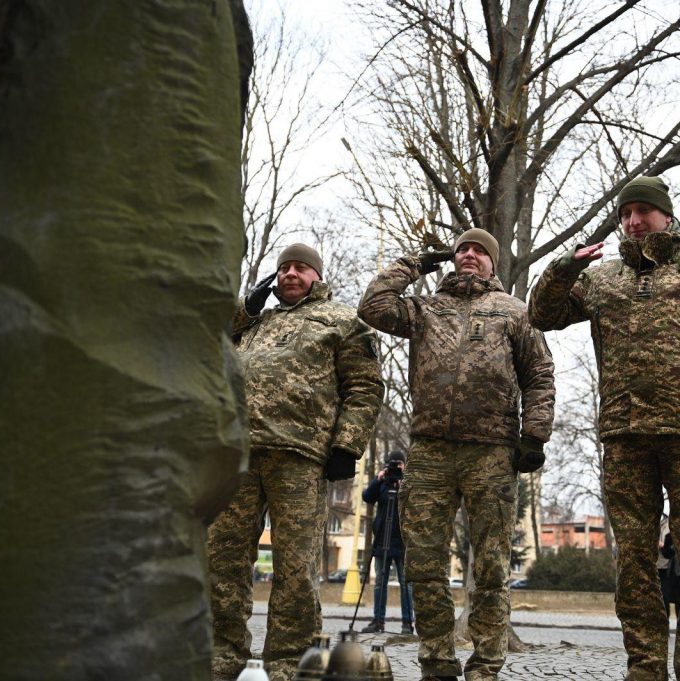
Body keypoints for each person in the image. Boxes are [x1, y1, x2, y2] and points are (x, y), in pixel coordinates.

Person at [528, 175, 680, 680]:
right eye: (625, 214)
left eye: (642, 211)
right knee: (634, 567)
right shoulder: (602, 278)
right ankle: (645, 670)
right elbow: (542, 314)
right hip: (624, 434)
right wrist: (565, 267)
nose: (633, 222)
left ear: (665, 214)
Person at [358, 228, 555, 681]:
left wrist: (535, 435)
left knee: (490, 567)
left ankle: (485, 664)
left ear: (493, 263)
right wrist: (413, 266)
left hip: (492, 451)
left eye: (479, 251)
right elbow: (372, 307)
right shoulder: (425, 309)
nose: (469, 255)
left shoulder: (515, 312)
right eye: (462, 249)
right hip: (429, 451)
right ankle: (438, 662)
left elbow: (540, 376)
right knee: (424, 566)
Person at [209, 243, 384, 681]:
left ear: (317, 276)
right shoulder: (254, 323)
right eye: (284, 267)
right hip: (239, 454)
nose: (290, 273)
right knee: (222, 562)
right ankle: (218, 655)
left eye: (300, 267)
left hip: (301, 457)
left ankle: (290, 664)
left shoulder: (342, 321)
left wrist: (347, 446)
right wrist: (244, 309)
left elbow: (364, 387)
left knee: (296, 567)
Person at [360, 450, 414, 635]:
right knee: (379, 583)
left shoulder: (407, 484)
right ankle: (378, 621)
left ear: (404, 465)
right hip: (382, 540)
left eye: (399, 464)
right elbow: (367, 497)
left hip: (402, 541)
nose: (395, 467)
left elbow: (414, 504)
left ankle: (407, 623)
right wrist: (378, 479)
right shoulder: (382, 483)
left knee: (406, 583)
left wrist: (403, 484)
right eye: (392, 464)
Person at [658, 518, 680, 618]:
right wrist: (672, 548)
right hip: (670, 572)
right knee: (666, 599)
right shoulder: (669, 536)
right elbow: (666, 553)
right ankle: (665, 625)